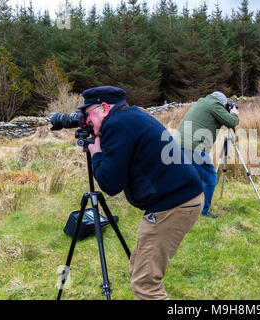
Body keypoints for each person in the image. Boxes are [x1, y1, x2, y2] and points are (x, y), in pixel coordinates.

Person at [82, 86, 204, 300]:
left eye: (88, 113)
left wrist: (96, 153)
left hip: (173, 205)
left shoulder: (116, 125)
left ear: (104, 107)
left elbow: (110, 184)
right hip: (182, 197)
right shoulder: (131, 116)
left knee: (145, 284)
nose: (86, 121)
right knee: (139, 266)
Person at [176, 91, 240, 219]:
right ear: (222, 103)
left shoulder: (203, 102)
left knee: (194, 178)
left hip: (178, 143)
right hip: (194, 146)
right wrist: (234, 113)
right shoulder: (215, 105)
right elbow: (231, 122)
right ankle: (203, 212)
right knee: (210, 178)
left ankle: (186, 207)